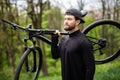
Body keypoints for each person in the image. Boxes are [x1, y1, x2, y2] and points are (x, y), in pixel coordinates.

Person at [51, 8, 95, 80]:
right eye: (65, 19)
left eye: (69, 19)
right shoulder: (64, 39)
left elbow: (90, 68)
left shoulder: (83, 42)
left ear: (77, 22)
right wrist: (54, 39)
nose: (66, 21)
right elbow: (55, 55)